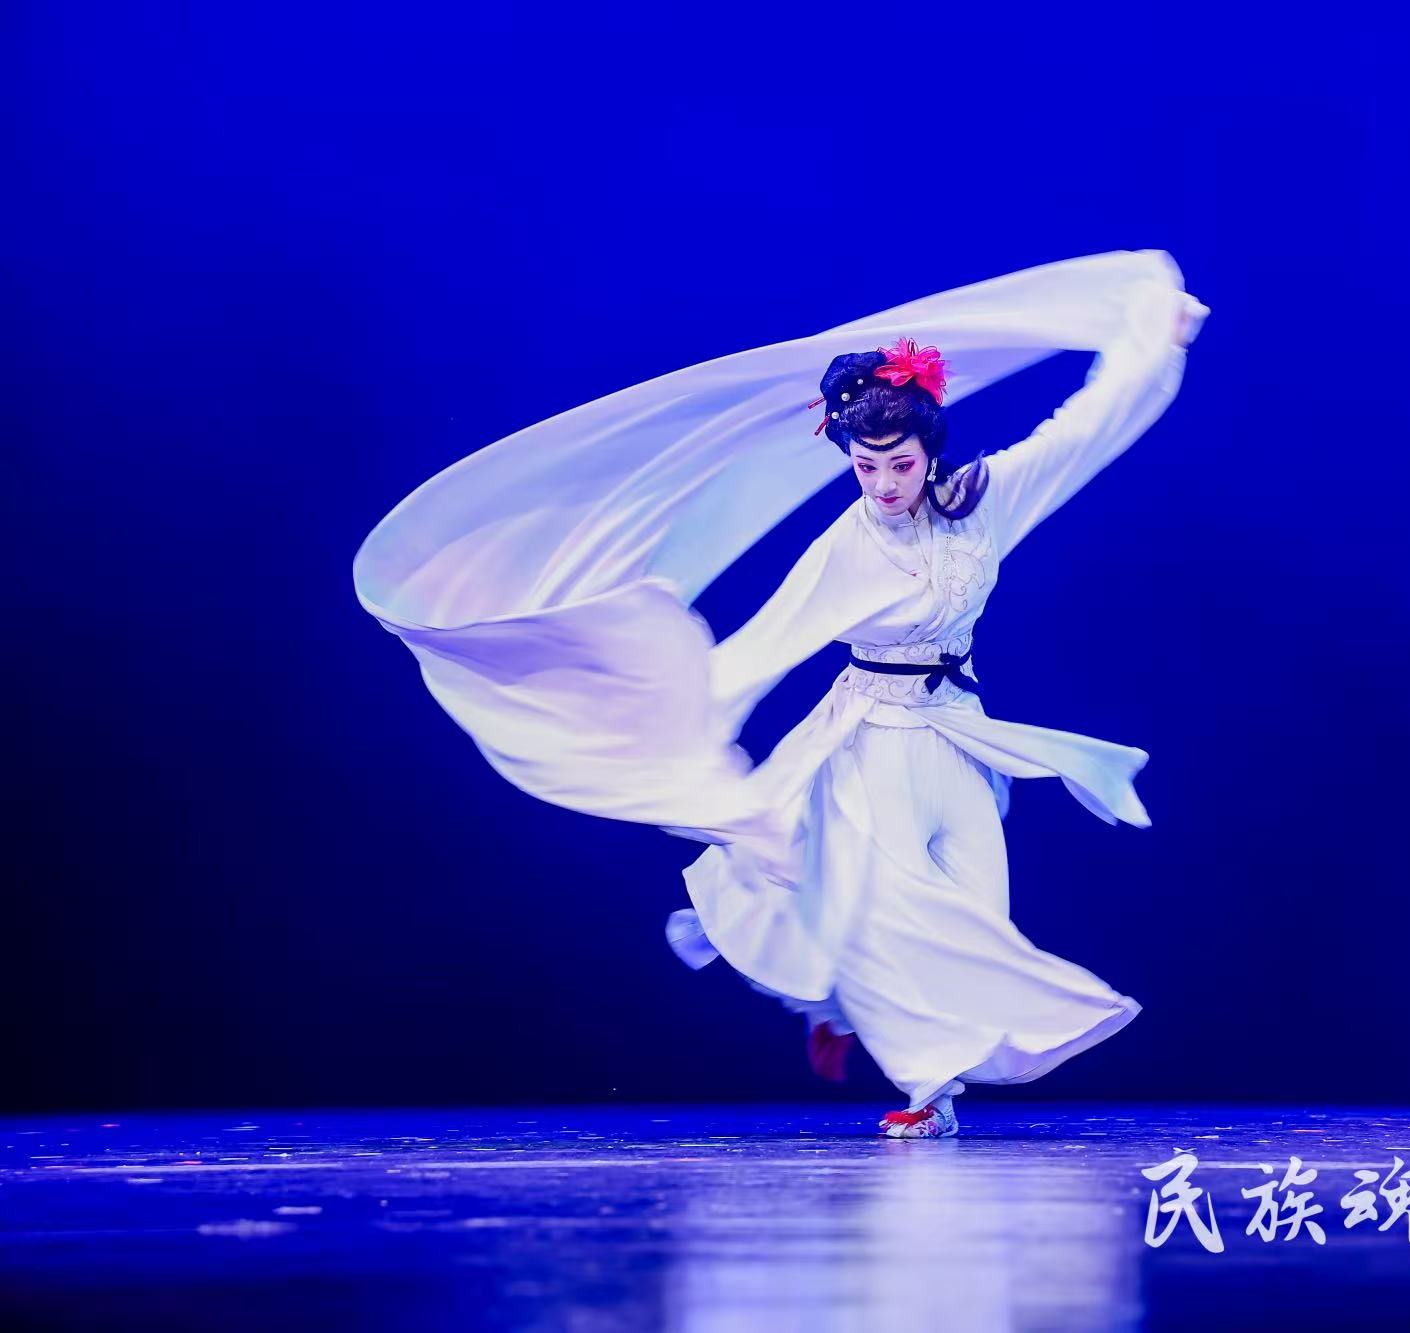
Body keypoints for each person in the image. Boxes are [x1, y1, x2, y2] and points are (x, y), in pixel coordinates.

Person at [353, 249, 1207, 1139]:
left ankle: (855, 1012)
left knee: (975, 912)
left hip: (957, 732)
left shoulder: (982, 500)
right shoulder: (849, 545)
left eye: (899, 465)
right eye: (867, 467)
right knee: (900, 911)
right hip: (870, 740)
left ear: (929, 453)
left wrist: (1156, 342)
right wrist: (682, 746)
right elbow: (760, 650)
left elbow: (1083, 433)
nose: (884, 485)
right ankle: (928, 1089)